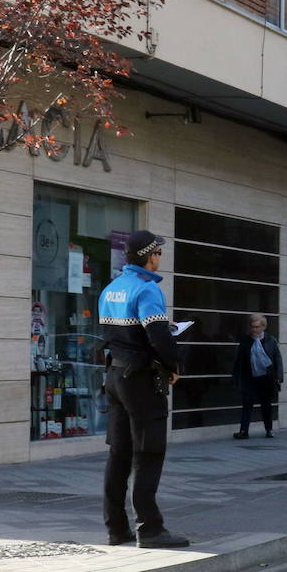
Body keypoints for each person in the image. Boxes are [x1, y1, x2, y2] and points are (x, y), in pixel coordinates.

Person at [97, 229, 188, 548]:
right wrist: (174, 367)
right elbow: (158, 337)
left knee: (119, 453)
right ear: (150, 256)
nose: (160, 258)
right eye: (159, 253)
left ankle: (116, 528)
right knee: (149, 452)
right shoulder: (147, 290)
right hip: (140, 381)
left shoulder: (110, 289)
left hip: (115, 377)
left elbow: (116, 336)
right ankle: (150, 530)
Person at [232, 314, 284, 440]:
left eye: (257, 327)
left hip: (266, 377)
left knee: (266, 404)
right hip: (249, 377)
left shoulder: (270, 340)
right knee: (247, 403)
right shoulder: (245, 341)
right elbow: (239, 360)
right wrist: (236, 377)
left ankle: (269, 429)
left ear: (263, 327)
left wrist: (279, 376)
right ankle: (244, 431)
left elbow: (277, 358)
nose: (254, 330)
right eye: (252, 327)